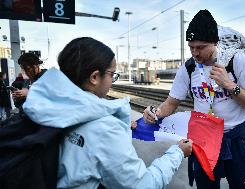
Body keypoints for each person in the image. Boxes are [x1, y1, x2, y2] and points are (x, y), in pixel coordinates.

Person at [23, 37, 193, 188]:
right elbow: (143, 184)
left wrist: (120, 127)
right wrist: (177, 153)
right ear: (95, 77)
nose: (113, 81)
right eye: (112, 74)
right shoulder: (104, 128)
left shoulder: (45, 106)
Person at [143, 10, 245, 189]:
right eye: (191, 47)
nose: (195, 53)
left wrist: (229, 85)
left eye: (201, 47)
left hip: (236, 138)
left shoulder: (237, 62)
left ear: (215, 42)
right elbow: (170, 103)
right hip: (204, 141)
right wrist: (155, 112)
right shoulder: (188, 68)